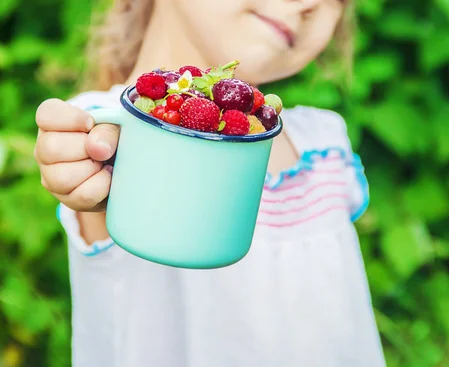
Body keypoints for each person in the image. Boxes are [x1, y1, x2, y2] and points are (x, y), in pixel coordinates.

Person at [33, 0, 386, 366]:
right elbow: (90, 160)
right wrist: (88, 163)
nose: (310, 4)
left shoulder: (324, 142)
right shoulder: (115, 126)